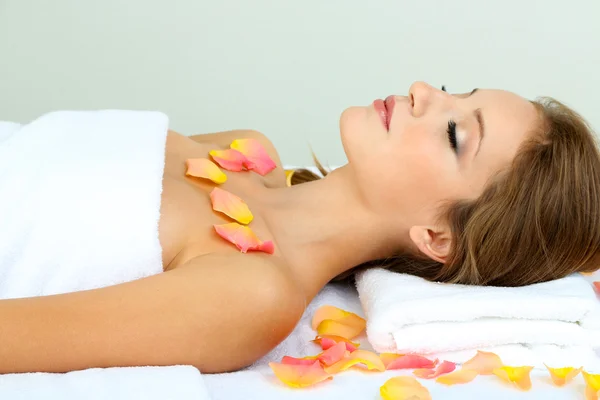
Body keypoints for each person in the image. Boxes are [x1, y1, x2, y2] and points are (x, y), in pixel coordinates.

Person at [0, 82, 599, 375]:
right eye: (450, 89)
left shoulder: (251, 293)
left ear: (438, 236)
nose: (422, 92)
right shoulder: (245, 149)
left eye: (454, 134)